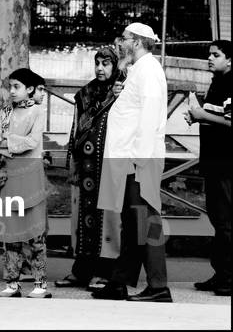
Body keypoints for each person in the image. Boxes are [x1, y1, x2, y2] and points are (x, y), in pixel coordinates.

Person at [93, 21, 172, 302]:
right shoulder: (137, 70)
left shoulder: (149, 70)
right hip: (131, 160)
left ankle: (159, 286)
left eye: (124, 38)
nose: (119, 43)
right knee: (132, 221)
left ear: (136, 42)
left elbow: (150, 117)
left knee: (145, 221)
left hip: (139, 160)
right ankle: (119, 281)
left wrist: (139, 159)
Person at [55, 45, 122, 289]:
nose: (100, 68)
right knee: (82, 219)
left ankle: (105, 271)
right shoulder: (85, 94)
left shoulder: (121, 92)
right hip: (85, 168)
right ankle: (81, 270)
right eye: (97, 63)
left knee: (108, 221)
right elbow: (76, 130)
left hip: (108, 166)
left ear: (115, 66)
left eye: (106, 64)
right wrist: (71, 162)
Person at [0, 67, 51, 299]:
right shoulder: (6, 112)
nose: (12, 91)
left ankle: (40, 284)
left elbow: (33, 142)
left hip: (31, 177)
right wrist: (9, 142)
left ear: (30, 89)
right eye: (10, 87)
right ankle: (12, 283)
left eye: (17, 87)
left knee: (36, 233)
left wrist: (6, 141)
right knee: (10, 232)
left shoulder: (37, 111)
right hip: (10, 177)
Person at [187, 38, 231, 296]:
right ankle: (221, 273)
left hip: (226, 163)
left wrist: (202, 115)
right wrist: (197, 117)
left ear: (230, 59)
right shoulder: (218, 83)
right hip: (214, 162)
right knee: (218, 219)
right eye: (209, 54)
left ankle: (228, 278)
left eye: (216, 54)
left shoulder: (231, 83)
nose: (210, 58)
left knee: (226, 221)